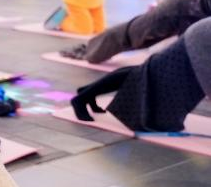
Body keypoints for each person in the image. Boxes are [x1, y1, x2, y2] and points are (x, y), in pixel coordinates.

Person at [70, 16, 211, 132]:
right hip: (198, 41)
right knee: (146, 74)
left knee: (145, 73)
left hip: (199, 36)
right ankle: (81, 99)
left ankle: (86, 93)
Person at [60, 0, 211, 63]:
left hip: (193, 15)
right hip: (180, 9)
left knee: (137, 37)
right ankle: (90, 50)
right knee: (132, 35)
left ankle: (92, 49)